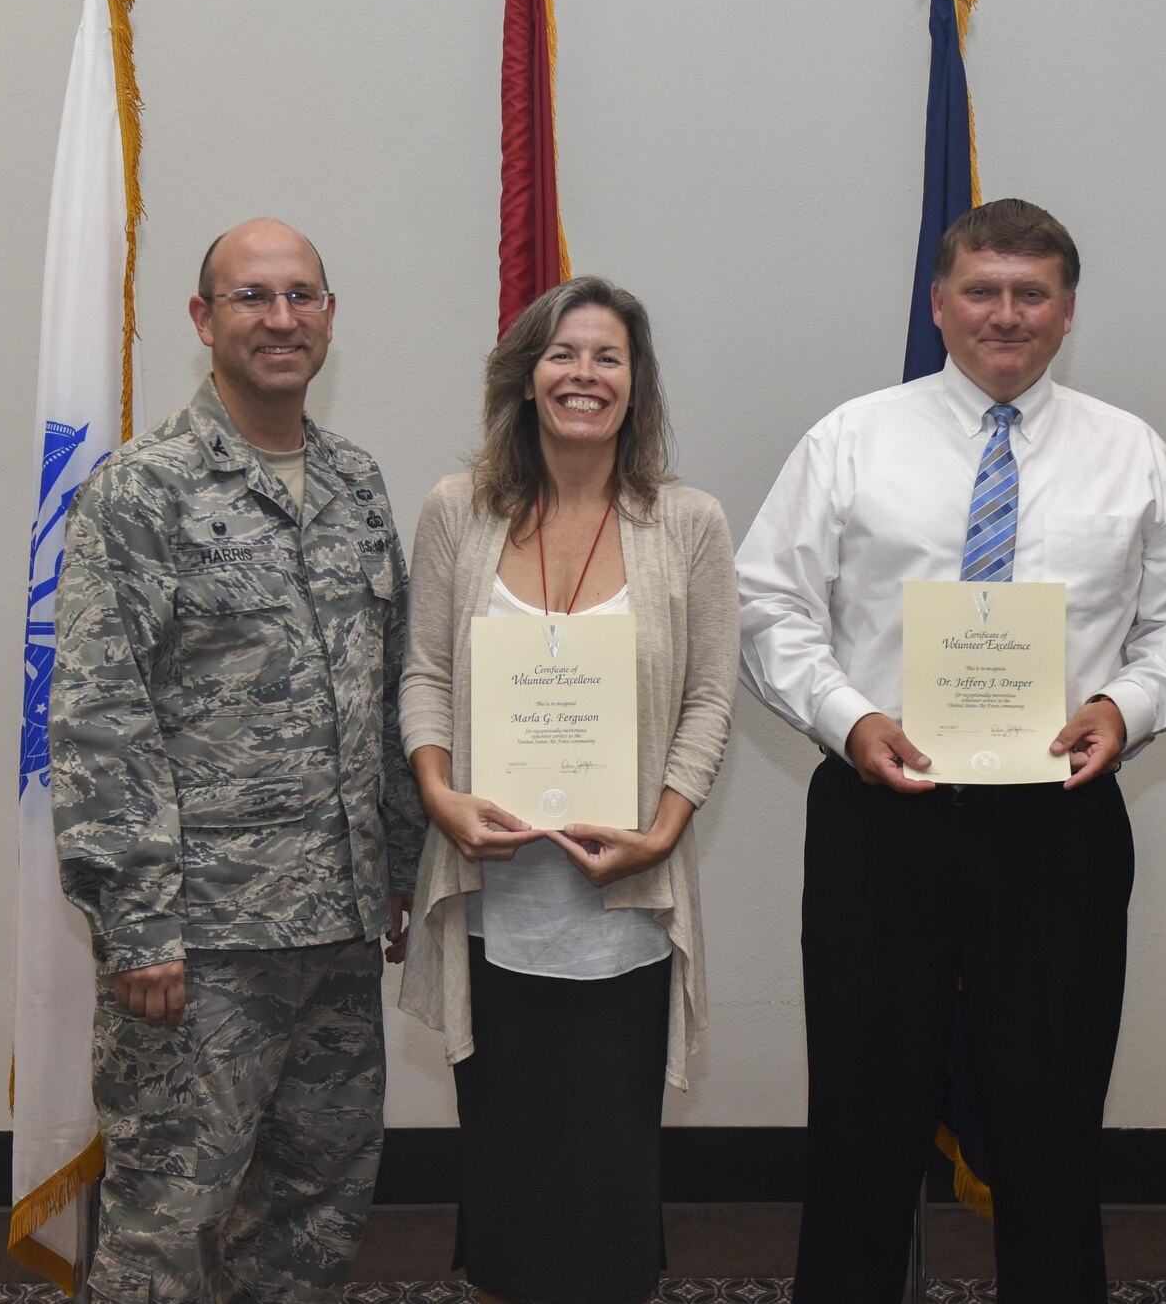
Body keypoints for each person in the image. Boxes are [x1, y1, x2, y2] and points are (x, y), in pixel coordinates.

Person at [735, 198, 1166, 1302]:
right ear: (939, 304)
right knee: (863, 1119)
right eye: (981, 291)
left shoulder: (1130, 454)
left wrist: (1126, 705)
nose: (1003, 315)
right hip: (883, 815)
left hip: (1055, 824)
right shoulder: (849, 439)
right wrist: (845, 716)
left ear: (1064, 313)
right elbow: (766, 605)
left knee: (1049, 1127)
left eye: (1030, 293)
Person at [51, 218, 423, 1302]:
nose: (280, 319)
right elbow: (100, 712)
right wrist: (137, 922)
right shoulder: (142, 492)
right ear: (203, 320)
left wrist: (399, 864)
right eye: (252, 297)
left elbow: (389, 679)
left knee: (318, 1207)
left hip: (339, 927)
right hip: (199, 943)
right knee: (171, 1218)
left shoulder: (356, 485)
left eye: (300, 296)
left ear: (328, 319)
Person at [395, 275, 738, 1304]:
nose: (582, 375)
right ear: (525, 375)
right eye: (562, 354)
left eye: (606, 358)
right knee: (502, 1162)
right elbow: (422, 676)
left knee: (607, 1170)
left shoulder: (686, 522)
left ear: (635, 386)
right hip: (493, 904)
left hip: (622, 904)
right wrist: (439, 795)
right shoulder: (457, 510)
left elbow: (710, 700)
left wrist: (664, 830)